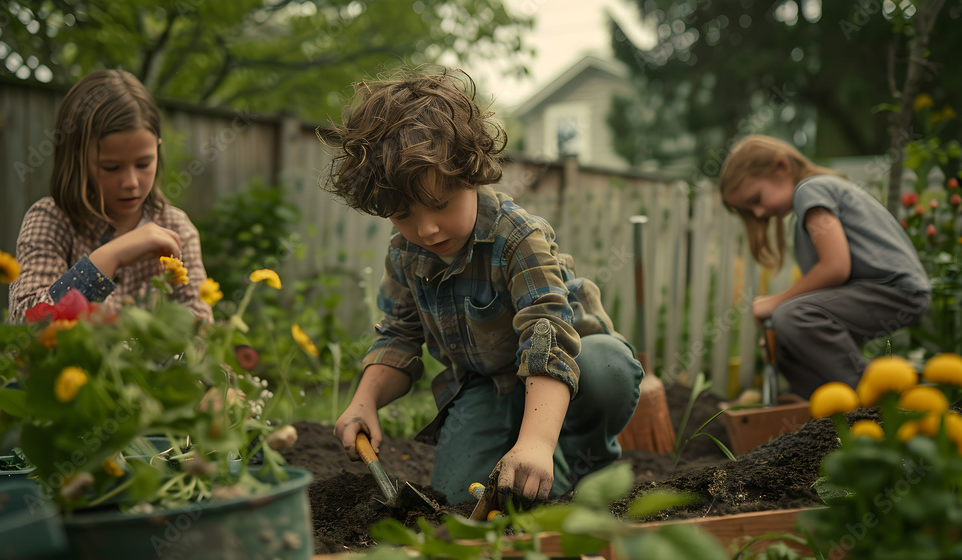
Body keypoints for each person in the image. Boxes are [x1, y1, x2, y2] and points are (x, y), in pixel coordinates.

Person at [320, 67, 643, 507]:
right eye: (404, 215)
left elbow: (546, 335)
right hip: (487, 382)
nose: (428, 228)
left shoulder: (518, 238)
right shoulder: (406, 255)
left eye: (440, 205)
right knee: (461, 499)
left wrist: (535, 443)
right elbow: (398, 336)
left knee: (608, 368)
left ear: (472, 174)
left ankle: (581, 468)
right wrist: (364, 401)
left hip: (570, 370)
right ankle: (531, 465)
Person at [719, 135, 931, 399]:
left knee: (792, 317)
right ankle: (821, 416)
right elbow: (831, 294)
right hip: (879, 292)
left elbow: (835, 267)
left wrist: (775, 303)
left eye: (757, 199)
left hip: (893, 288)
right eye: (750, 210)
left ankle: (873, 403)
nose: (759, 214)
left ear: (782, 167)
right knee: (787, 331)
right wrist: (783, 329)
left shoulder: (810, 190)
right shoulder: (810, 203)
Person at [9, 69, 212, 323]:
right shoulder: (51, 221)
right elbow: (26, 322)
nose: (131, 183)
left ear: (157, 150)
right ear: (77, 160)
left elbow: (200, 328)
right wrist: (108, 258)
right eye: (111, 167)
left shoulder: (177, 229)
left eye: (143, 164)